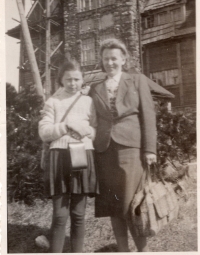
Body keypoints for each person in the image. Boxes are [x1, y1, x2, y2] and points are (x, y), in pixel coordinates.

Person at [89, 38, 157, 252]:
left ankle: (142, 249)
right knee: (113, 204)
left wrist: (150, 149)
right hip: (104, 150)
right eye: (106, 58)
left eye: (114, 58)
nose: (110, 62)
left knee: (132, 204)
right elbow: (90, 118)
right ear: (101, 60)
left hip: (130, 149)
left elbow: (148, 116)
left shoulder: (137, 81)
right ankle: (122, 249)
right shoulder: (95, 87)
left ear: (124, 59)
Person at [38, 60, 98, 253]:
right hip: (59, 158)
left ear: (82, 80)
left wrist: (86, 131)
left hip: (82, 154)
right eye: (68, 79)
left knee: (79, 214)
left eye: (77, 79)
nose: (73, 83)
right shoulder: (53, 102)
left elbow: (95, 130)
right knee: (60, 215)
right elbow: (44, 132)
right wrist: (67, 126)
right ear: (61, 81)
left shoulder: (89, 101)